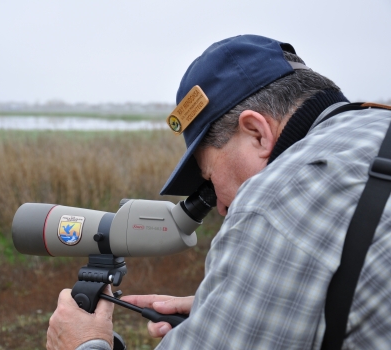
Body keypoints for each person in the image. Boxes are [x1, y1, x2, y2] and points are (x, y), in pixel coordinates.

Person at [46, 35, 391, 349]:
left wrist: (83, 345)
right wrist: (247, 307)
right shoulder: (377, 126)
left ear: (257, 133)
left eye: (209, 179)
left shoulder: (272, 206)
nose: (221, 208)